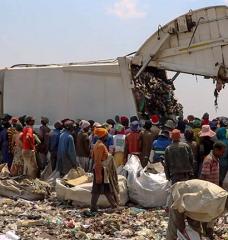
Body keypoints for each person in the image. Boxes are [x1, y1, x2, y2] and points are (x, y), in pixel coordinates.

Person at [90, 127, 119, 212]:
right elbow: (98, 161)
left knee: (105, 188)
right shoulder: (100, 146)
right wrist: (99, 174)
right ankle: (93, 207)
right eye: (106, 135)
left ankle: (114, 205)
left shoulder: (98, 144)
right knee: (97, 189)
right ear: (103, 136)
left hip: (101, 170)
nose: (107, 136)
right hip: (100, 170)